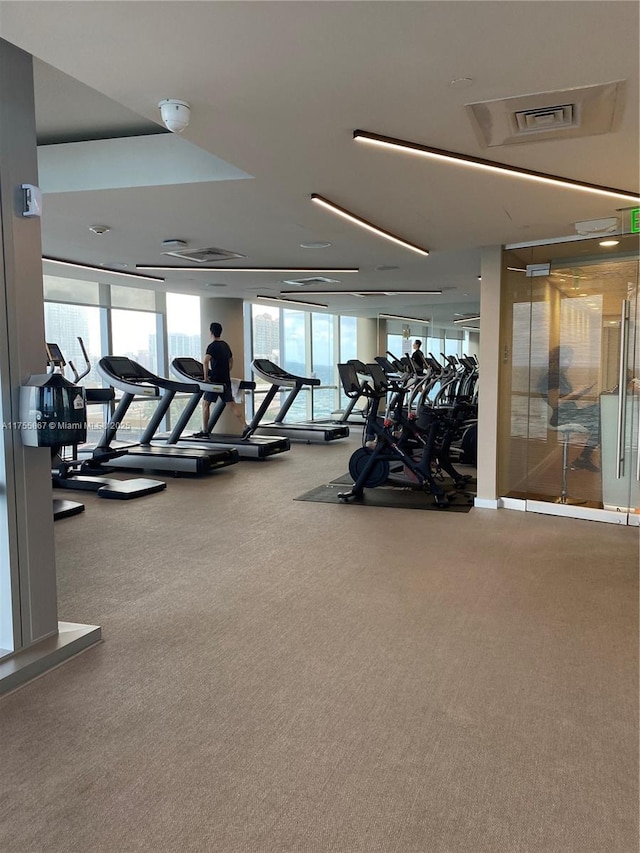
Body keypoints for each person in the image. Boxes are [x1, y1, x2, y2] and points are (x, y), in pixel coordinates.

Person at [538, 345, 600, 472]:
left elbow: (566, 400)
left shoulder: (560, 376)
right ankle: (584, 458)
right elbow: (554, 403)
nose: (570, 362)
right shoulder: (553, 376)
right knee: (603, 421)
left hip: (569, 412)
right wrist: (576, 392)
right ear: (558, 360)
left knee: (601, 411)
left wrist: (582, 392)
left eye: (570, 359)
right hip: (561, 417)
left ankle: (584, 458)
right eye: (567, 359)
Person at [194, 322, 247, 437]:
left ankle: (205, 431)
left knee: (205, 404)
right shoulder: (225, 345)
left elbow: (205, 361)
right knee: (232, 405)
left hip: (214, 381)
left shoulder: (212, 346)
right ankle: (245, 426)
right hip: (225, 380)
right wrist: (228, 370)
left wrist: (205, 377)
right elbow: (231, 360)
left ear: (211, 332)